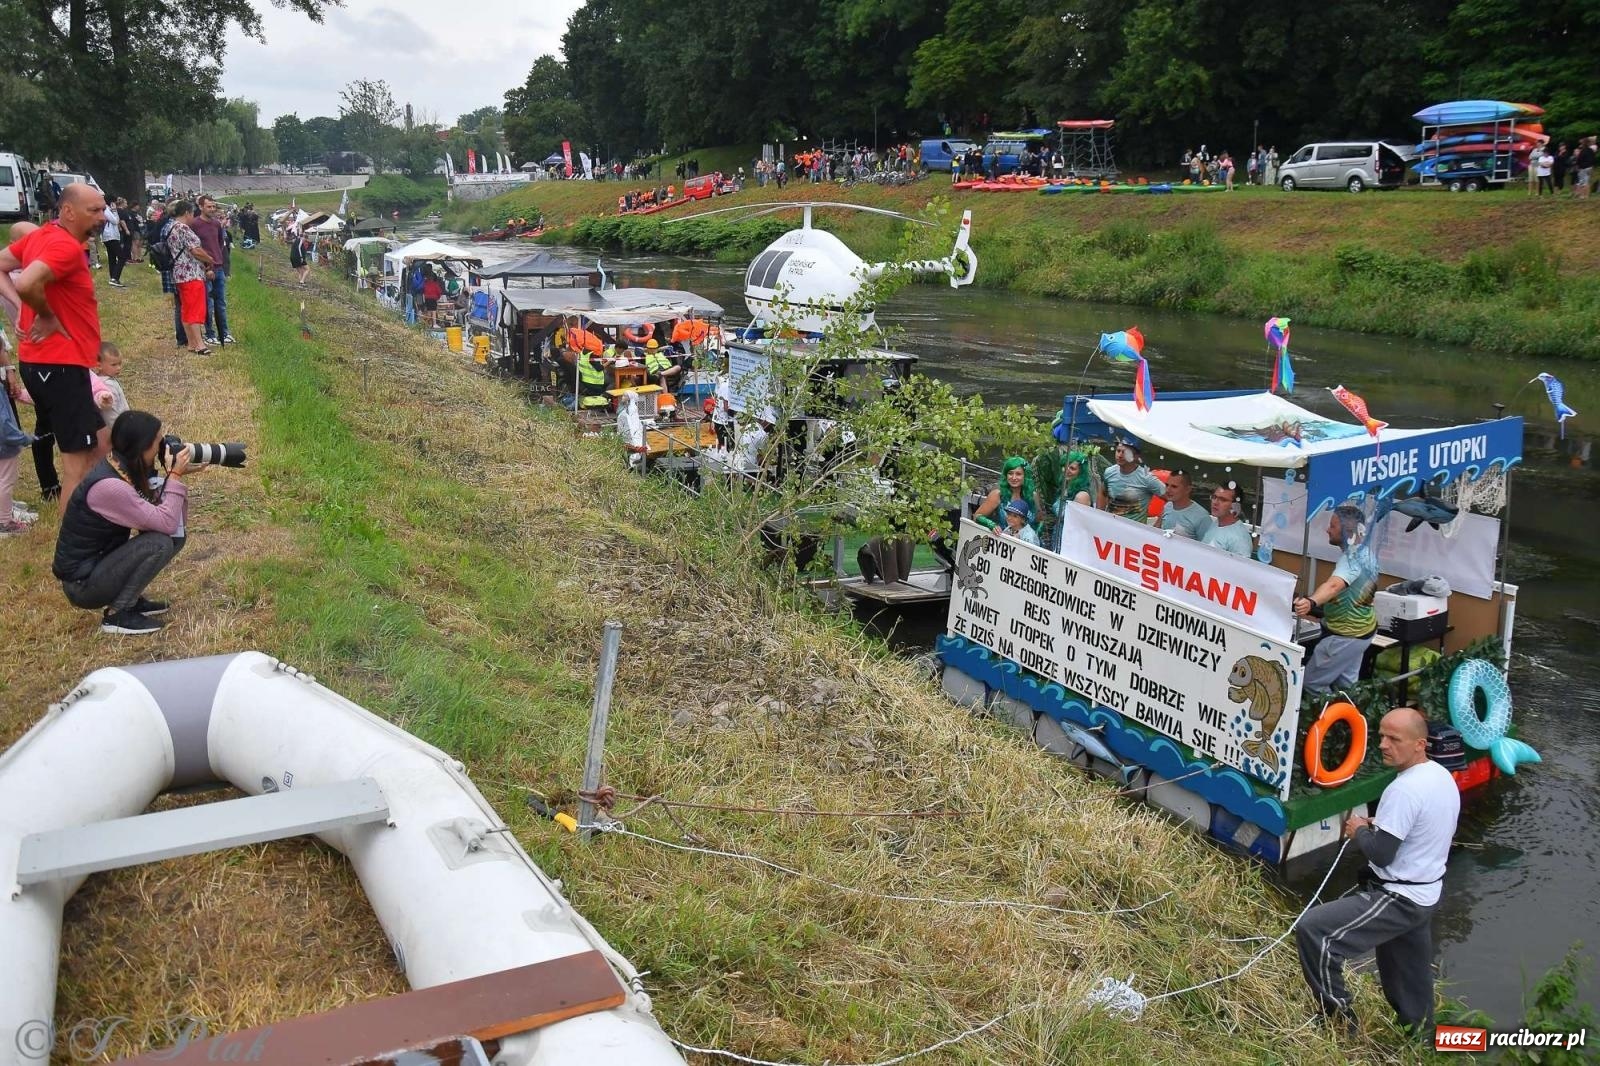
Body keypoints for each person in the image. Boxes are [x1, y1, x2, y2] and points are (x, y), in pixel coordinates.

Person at [1296, 706, 1459, 1035]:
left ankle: (1339, 1021)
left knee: (1315, 931)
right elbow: (1421, 826)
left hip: (1399, 896)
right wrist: (1378, 826)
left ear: (1419, 744)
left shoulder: (1403, 790)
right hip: (1427, 892)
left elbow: (1381, 854)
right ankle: (1423, 1040)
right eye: (1382, 735)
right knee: (1408, 977)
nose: (1383, 744)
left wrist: (1359, 829)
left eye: (1394, 738)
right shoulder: (1439, 776)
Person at [0, 183, 109, 504]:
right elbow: (28, 281)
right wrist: (42, 314)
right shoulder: (65, 247)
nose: (102, 217)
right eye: (94, 211)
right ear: (68, 211)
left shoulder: (41, 235)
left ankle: (101, 510)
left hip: (50, 364)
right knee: (78, 467)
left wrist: (21, 308)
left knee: (101, 445)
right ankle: (73, 550)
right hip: (59, 365)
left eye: (103, 209)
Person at [52, 409, 195, 634]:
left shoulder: (122, 468)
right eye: (158, 442)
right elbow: (165, 522)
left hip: (98, 567)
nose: (162, 447)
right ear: (142, 447)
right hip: (83, 585)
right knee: (159, 543)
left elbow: (166, 517)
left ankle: (130, 598)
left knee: (174, 536)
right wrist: (174, 477)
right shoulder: (111, 487)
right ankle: (118, 613)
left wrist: (172, 477)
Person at [1295, 503, 1379, 691]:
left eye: (1333, 526)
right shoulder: (1366, 552)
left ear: (1348, 531)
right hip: (1362, 631)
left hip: (1345, 635)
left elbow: (1334, 585)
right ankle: (1348, 717)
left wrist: (1311, 602)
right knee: (1346, 686)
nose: (1327, 530)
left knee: (1311, 684)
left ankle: (1327, 718)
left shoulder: (1352, 559)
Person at [163, 200, 215, 354]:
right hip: (191, 273)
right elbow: (195, 250)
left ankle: (191, 343)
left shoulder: (170, 227)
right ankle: (200, 345)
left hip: (179, 273)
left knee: (186, 308)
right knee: (196, 309)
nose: (194, 216)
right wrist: (210, 260)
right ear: (186, 212)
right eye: (193, 213)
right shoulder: (183, 228)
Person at [191, 197, 233, 345]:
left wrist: (220, 263)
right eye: (209, 207)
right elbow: (194, 248)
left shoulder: (216, 224)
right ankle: (210, 333)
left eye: (214, 206)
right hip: (204, 269)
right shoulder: (195, 224)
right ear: (201, 207)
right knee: (207, 304)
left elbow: (220, 244)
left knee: (221, 303)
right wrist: (206, 265)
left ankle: (225, 332)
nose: (212, 209)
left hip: (219, 267)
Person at [1099, 437, 1166, 521]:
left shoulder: (1147, 478)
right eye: (1118, 451)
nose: (1120, 455)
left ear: (1136, 456)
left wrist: (1158, 523)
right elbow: (1103, 492)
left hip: (1134, 530)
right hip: (1112, 525)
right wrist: (1099, 515)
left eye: (1125, 452)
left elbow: (1171, 499)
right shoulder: (1109, 472)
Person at [973, 456, 1033, 531]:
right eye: (1010, 473)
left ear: (1025, 476)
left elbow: (1039, 521)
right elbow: (977, 516)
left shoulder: (1032, 496)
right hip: (1002, 539)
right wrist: (991, 525)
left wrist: (1033, 537)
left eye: (1018, 474)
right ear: (1006, 475)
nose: (1014, 478)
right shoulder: (997, 495)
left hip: (1027, 540)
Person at [1201, 480, 1253, 557]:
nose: (1215, 502)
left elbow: (1240, 568)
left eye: (1223, 500)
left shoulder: (1239, 539)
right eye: (1214, 497)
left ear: (1235, 506)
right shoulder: (1217, 522)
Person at [1159, 470, 1213, 539]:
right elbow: (1156, 529)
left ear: (1187, 489)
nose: (1168, 490)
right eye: (1167, 485)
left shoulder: (1202, 517)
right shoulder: (1168, 506)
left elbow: (1208, 547)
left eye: (1174, 487)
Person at [90, 341, 128, 426]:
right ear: (99, 365)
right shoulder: (106, 386)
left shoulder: (110, 380)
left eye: (120, 363)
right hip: (118, 427)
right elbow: (109, 414)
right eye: (113, 365)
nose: (119, 368)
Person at [101, 198, 127, 287]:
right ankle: (115, 278)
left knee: (112, 258)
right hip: (110, 236)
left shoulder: (108, 210)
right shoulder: (107, 210)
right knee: (122, 257)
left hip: (111, 236)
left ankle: (113, 277)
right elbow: (115, 221)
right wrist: (115, 211)